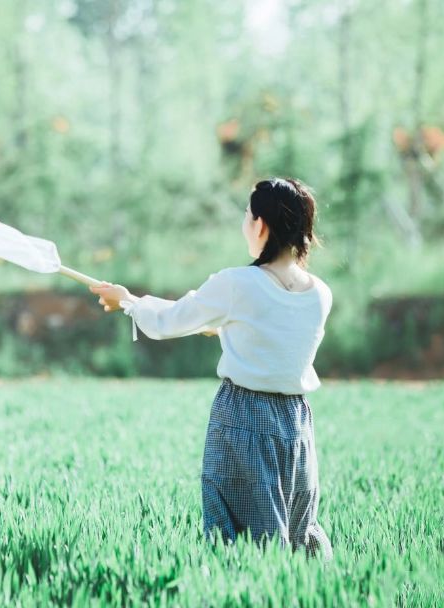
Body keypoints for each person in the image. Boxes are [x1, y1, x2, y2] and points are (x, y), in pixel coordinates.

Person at [90, 178, 333, 560]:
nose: (244, 225)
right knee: (296, 530)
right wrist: (221, 325)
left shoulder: (237, 284)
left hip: (244, 417)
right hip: (297, 426)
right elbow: (271, 330)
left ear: (261, 225)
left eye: (246, 216)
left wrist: (128, 302)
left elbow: (170, 320)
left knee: (242, 541)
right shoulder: (320, 292)